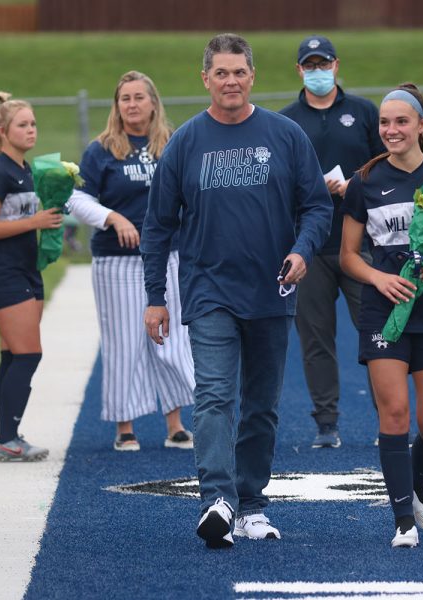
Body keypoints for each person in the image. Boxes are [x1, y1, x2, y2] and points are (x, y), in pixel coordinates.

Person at [141, 33, 332, 549]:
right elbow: (157, 224)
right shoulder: (185, 142)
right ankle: (217, 501)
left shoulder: (285, 135)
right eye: (220, 73)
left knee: (261, 406)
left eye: (239, 72)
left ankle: (250, 503)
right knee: (214, 396)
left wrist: (303, 250)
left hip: (272, 291)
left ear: (253, 76)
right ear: (205, 79)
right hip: (209, 292)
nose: (231, 81)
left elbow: (317, 205)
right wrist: (155, 295)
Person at [340, 83, 423, 548]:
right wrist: (378, 280)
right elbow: (348, 257)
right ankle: (403, 520)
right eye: (384, 122)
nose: (392, 130)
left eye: (402, 121)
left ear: (422, 125)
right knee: (395, 413)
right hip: (384, 309)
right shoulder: (364, 182)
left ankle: (417, 480)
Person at [67, 70, 195, 452]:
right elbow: (76, 199)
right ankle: (126, 427)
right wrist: (113, 218)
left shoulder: (171, 145)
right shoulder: (101, 150)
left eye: (140, 97)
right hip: (116, 261)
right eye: (125, 98)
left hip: (168, 255)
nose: (133, 104)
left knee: (171, 339)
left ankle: (174, 423)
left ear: (153, 102)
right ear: (116, 105)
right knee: (125, 342)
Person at [279, 34, 385, 449]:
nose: (318, 72)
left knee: (377, 333)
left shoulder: (362, 113)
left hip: (361, 244)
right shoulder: (286, 121)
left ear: (337, 66)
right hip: (311, 246)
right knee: (316, 338)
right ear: (299, 70)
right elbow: (279, 183)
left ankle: (388, 420)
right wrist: (311, 190)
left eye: (324, 64)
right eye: (310, 65)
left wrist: (354, 184)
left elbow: (387, 168)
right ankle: (326, 423)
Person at [0, 92, 63, 462]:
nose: (31, 130)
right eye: (22, 125)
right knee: (29, 354)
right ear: (2, 131)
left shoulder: (25, 168)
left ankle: (8, 437)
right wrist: (35, 221)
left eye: (33, 124)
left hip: (28, 269)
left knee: (14, 355)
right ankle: (8, 439)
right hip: (2, 272)